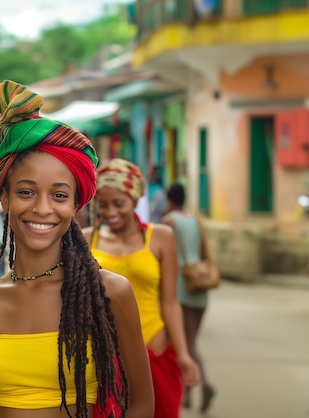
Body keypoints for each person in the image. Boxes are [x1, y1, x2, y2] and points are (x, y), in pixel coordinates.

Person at [0, 80, 154, 418]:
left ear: (76, 204)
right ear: (4, 197)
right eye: (26, 192)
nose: (43, 208)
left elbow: (141, 405)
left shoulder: (109, 292)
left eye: (59, 195)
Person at [85, 158, 200, 418]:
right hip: (103, 354)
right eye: (103, 204)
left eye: (119, 203)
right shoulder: (85, 238)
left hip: (155, 350)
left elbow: (170, 302)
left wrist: (183, 354)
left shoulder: (161, 238)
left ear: (136, 200)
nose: (111, 211)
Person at [162, 182, 215, 413]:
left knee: (186, 345)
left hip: (181, 287)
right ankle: (188, 395)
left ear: (170, 200)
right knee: (190, 341)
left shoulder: (169, 222)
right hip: (200, 286)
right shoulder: (195, 218)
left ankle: (205, 384)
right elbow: (205, 251)